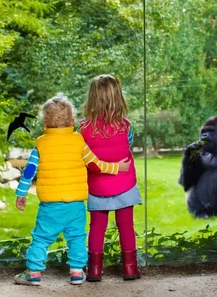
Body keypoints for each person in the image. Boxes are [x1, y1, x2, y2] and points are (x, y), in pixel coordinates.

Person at [14, 93, 130, 287]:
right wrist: (117, 167)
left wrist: (21, 193)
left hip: (50, 205)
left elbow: (29, 171)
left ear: (45, 122)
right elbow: (95, 164)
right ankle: (77, 272)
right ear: (72, 120)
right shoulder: (78, 141)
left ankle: (33, 273)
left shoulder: (41, 143)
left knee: (41, 237)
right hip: (75, 204)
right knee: (76, 237)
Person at [80, 74, 142, 282]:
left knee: (97, 227)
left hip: (97, 186)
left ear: (92, 99)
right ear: (118, 97)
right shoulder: (125, 126)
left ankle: (94, 270)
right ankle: (130, 268)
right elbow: (128, 144)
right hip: (125, 183)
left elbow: (83, 155)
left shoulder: (83, 129)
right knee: (126, 225)